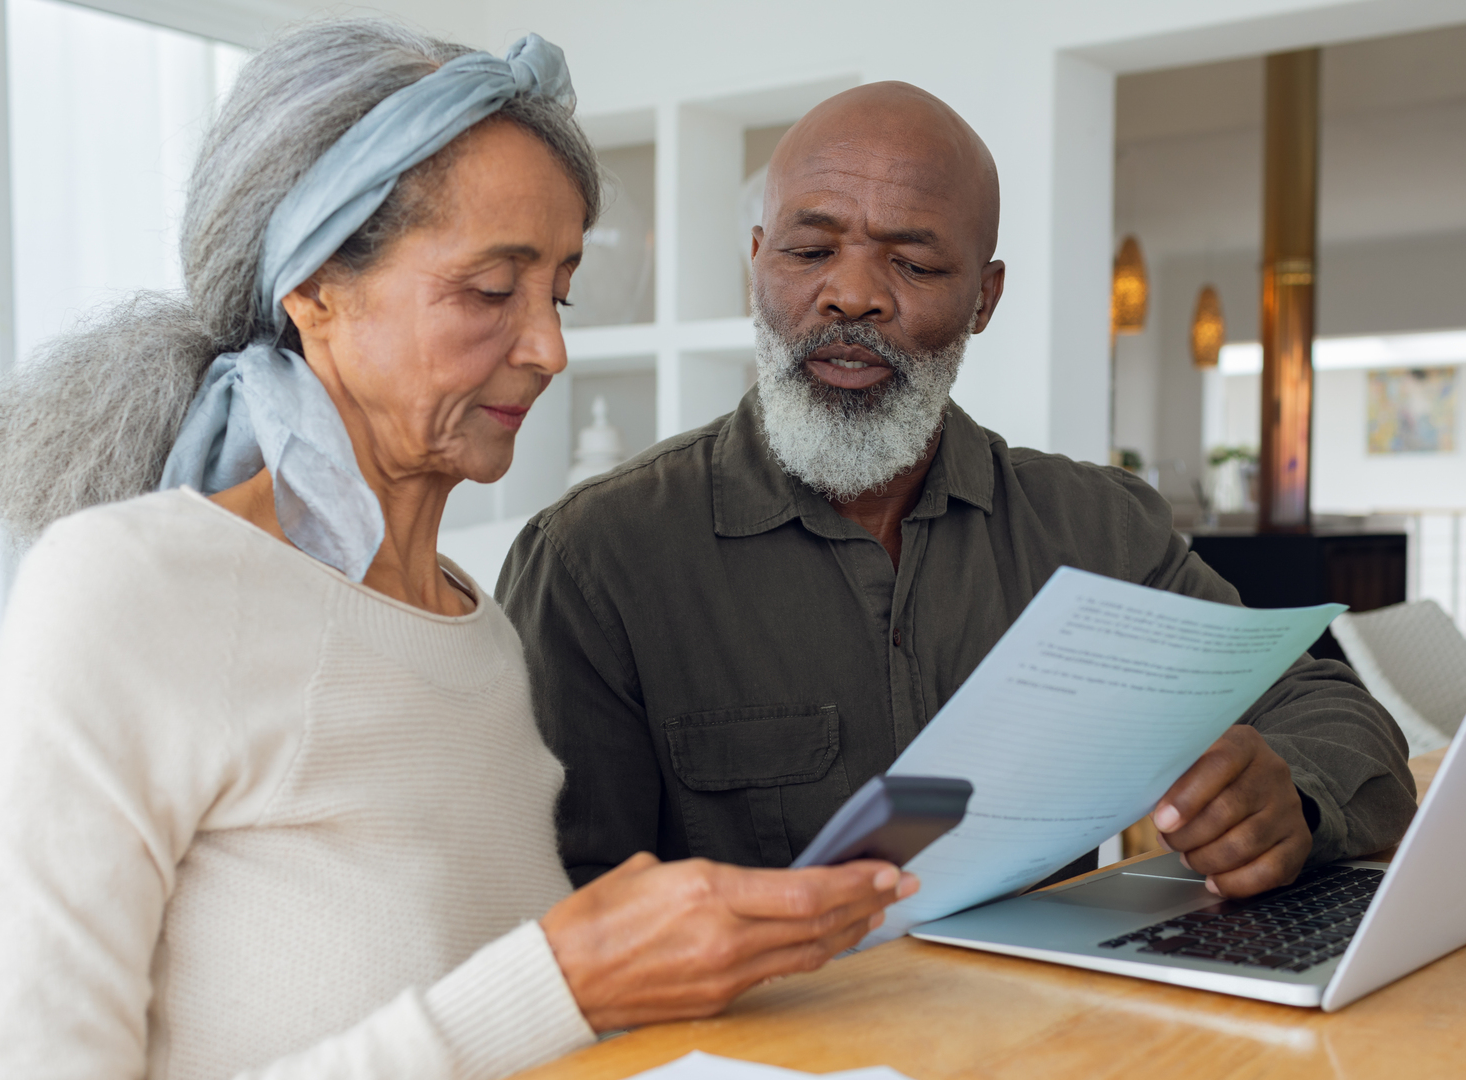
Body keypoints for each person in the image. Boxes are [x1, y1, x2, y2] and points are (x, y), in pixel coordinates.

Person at [0, 23, 912, 1080]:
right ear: (313, 288)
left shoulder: (478, 632)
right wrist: (565, 980)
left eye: (560, 292)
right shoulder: (126, 591)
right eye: (492, 291)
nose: (549, 349)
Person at [498, 82, 1417, 902]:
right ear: (757, 261)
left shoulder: (1096, 530)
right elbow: (551, 917)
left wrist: (1284, 793)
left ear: (985, 297)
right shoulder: (597, 560)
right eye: (810, 250)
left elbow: (1339, 718)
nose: (850, 295)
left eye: (915, 265)